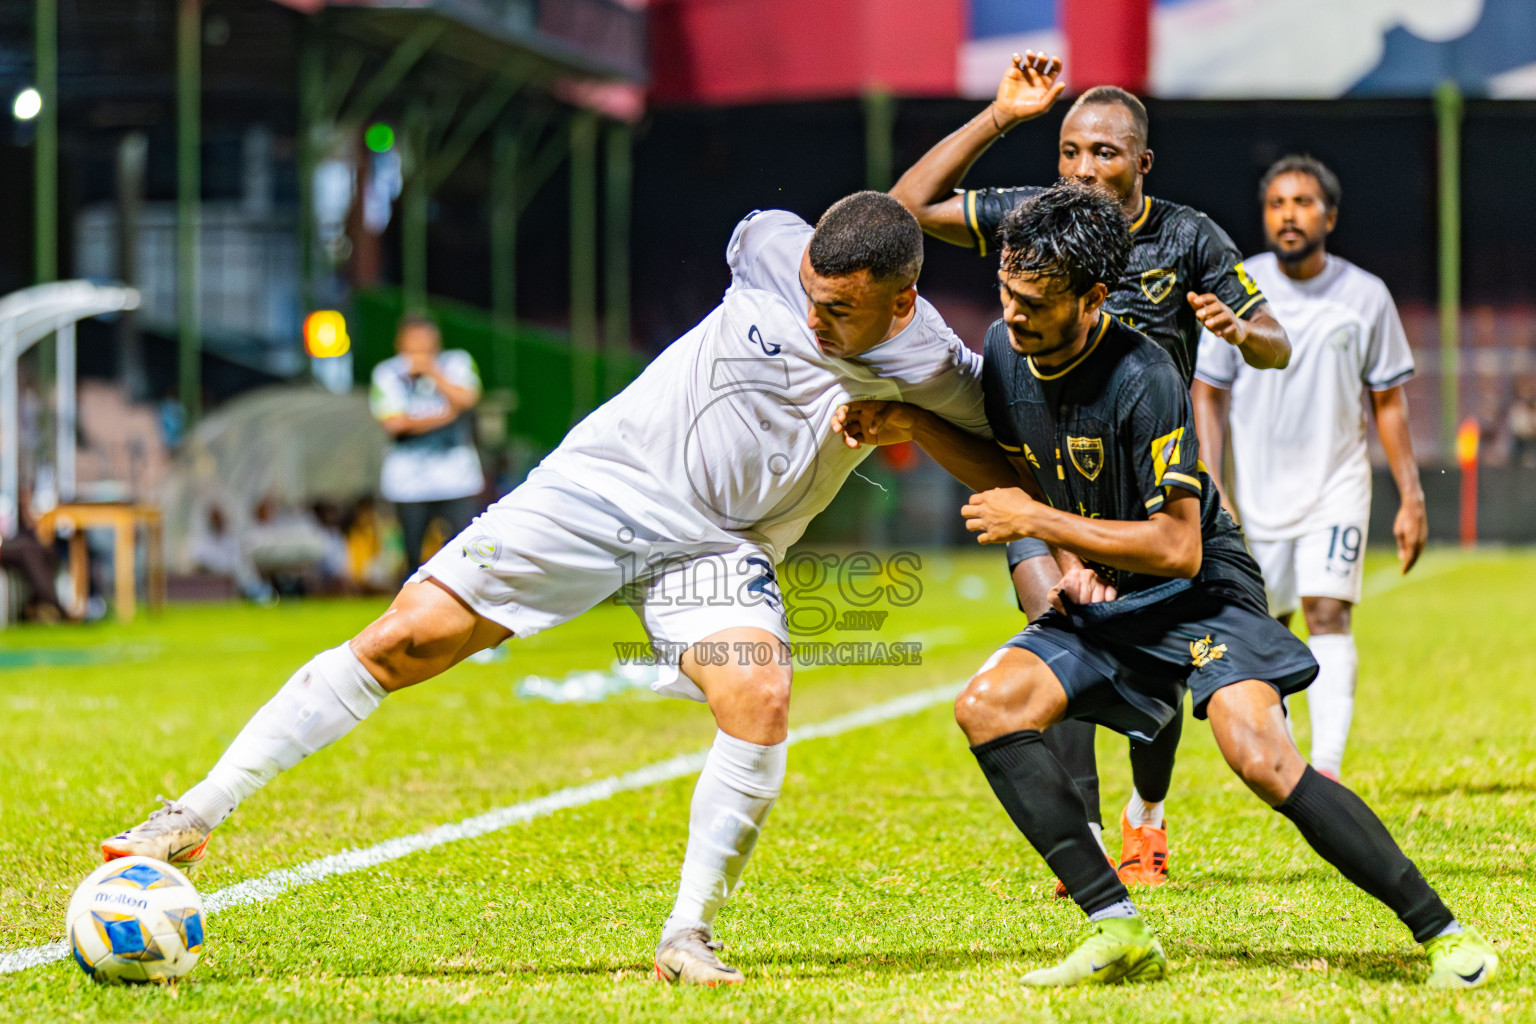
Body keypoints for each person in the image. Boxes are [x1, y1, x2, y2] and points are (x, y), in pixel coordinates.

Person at [101, 191, 994, 986]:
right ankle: (189, 816)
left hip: (721, 547)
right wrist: (993, 117)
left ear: (901, 300)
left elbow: (1001, 452)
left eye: (837, 311)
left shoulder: (939, 369)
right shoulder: (771, 242)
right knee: (402, 640)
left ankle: (688, 933)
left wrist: (912, 420)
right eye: (807, 294)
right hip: (605, 485)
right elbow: (897, 204)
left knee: (759, 697)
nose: (813, 317)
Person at [836, 182, 1496, 988]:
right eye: (1008, 294)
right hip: (1111, 588)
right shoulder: (1010, 348)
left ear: (1093, 298)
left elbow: (1179, 547)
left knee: (1257, 754)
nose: (1014, 315)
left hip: (1201, 592)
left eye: (1037, 303)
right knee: (987, 706)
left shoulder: (1145, 376)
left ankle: (1445, 935)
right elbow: (1015, 473)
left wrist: (1043, 525)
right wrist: (915, 425)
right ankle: (1117, 928)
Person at [890, 52, 1292, 890]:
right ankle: (1085, 833)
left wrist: (1239, 331)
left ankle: (1147, 811)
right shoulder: (1033, 220)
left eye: (1104, 153)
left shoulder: (1190, 237)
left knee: (1153, 649)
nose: (1083, 168)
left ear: (1142, 162)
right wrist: (1002, 115)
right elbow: (908, 209)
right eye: (1071, 151)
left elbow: (1276, 340)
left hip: (1146, 492)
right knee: (1059, 620)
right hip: (1045, 476)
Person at [1192, 156, 1426, 781]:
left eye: (1301, 202)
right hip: (1256, 494)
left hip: (1336, 487)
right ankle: (1288, 759)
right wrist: (1214, 484)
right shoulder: (1241, 288)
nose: (1287, 215)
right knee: (1270, 624)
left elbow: (1388, 403)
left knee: (1328, 612)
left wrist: (1412, 497)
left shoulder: (1365, 295)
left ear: (1330, 216)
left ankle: (1324, 767)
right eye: (1276, 203)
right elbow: (1208, 392)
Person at [369, 316, 485, 577]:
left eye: (425, 340)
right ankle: (411, 607)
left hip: (457, 477)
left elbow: (467, 399)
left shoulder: (456, 362)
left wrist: (433, 372)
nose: (420, 346)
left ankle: (465, 605)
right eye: (414, 340)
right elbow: (394, 423)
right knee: (411, 554)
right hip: (408, 481)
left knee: (465, 551)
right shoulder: (387, 372)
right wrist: (445, 415)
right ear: (400, 343)